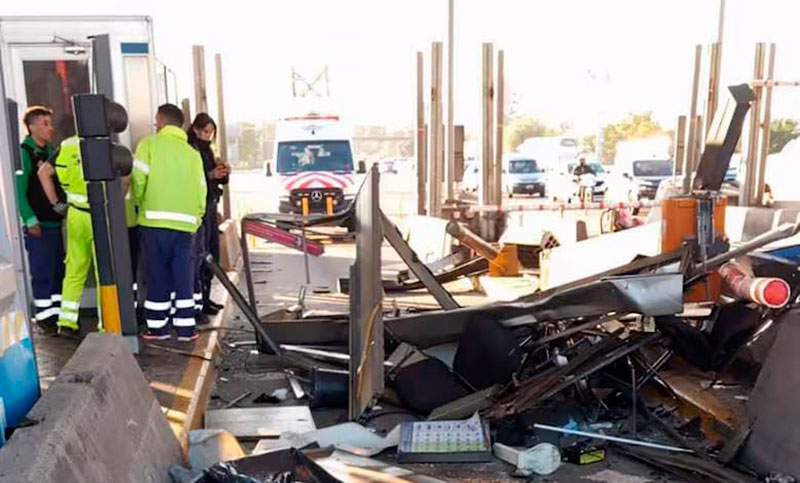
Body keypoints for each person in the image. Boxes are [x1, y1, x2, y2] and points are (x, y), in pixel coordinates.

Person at [132, 104, 206, 342]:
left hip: (154, 222)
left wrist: (139, 203)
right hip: (186, 225)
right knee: (183, 276)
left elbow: (138, 180)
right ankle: (186, 329)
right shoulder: (192, 154)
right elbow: (201, 190)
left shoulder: (149, 145)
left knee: (158, 275)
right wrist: (196, 216)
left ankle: (158, 328)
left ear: (161, 121)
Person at [16, 106, 65, 334]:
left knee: (57, 272)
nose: (50, 128)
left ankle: (56, 315)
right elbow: (19, 190)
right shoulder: (24, 153)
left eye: (50, 123)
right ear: (32, 126)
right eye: (44, 123)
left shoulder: (52, 153)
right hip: (39, 226)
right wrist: (29, 219)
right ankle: (45, 319)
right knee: (42, 271)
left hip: (55, 224)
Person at [53, 135, 102, 335]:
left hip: (75, 214)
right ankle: (105, 323)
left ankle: (66, 322)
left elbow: (53, 174)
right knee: (104, 273)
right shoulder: (102, 143)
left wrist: (61, 200)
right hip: (98, 214)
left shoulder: (67, 145)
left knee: (74, 269)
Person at [187, 113, 229, 321]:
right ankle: (199, 303)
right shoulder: (191, 150)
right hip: (199, 208)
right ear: (195, 129)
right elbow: (192, 179)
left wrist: (223, 172)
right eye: (206, 132)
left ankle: (206, 297)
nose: (209, 136)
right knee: (201, 253)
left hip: (211, 203)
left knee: (212, 252)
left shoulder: (208, 150)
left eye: (211, 133)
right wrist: (210, 175)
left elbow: (216, 180)